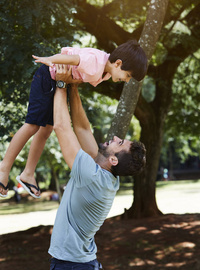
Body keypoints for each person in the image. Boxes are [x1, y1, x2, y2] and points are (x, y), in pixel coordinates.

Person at [0, 40, 147, 198]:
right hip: (48, 76)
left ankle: (28, 173)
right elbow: (73, 59)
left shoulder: (105, 72)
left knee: (46, 130)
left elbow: (76, 77)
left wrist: (70, 82)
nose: (126, 80)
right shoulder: (96, 62)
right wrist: (51, 60)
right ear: (118, 63)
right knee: (32, 126)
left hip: (56, 81)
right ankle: (3, 168)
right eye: (128, 76)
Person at [48, 64, 146, 270]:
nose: (115, 137)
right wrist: (73, 87)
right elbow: (81, 128)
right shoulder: (105, 175)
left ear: (113, 159)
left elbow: (62, 128)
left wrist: (60, 83)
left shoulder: (92, 176)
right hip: (77, 269)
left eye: (119, 142)